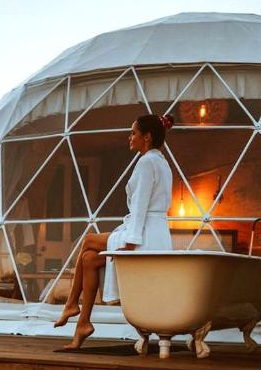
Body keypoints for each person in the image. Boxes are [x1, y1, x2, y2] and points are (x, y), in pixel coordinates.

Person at [53, 113, 174, 349]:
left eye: (133, 133)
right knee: (88, 259)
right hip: (154, 233)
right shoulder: (161, 162)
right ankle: (82, 326)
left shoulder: (147, 162)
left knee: (88, 240)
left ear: (147, 137)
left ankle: (70, 305)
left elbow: (140, 204)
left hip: (143, 235)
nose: (130, 138)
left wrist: (130, 241)